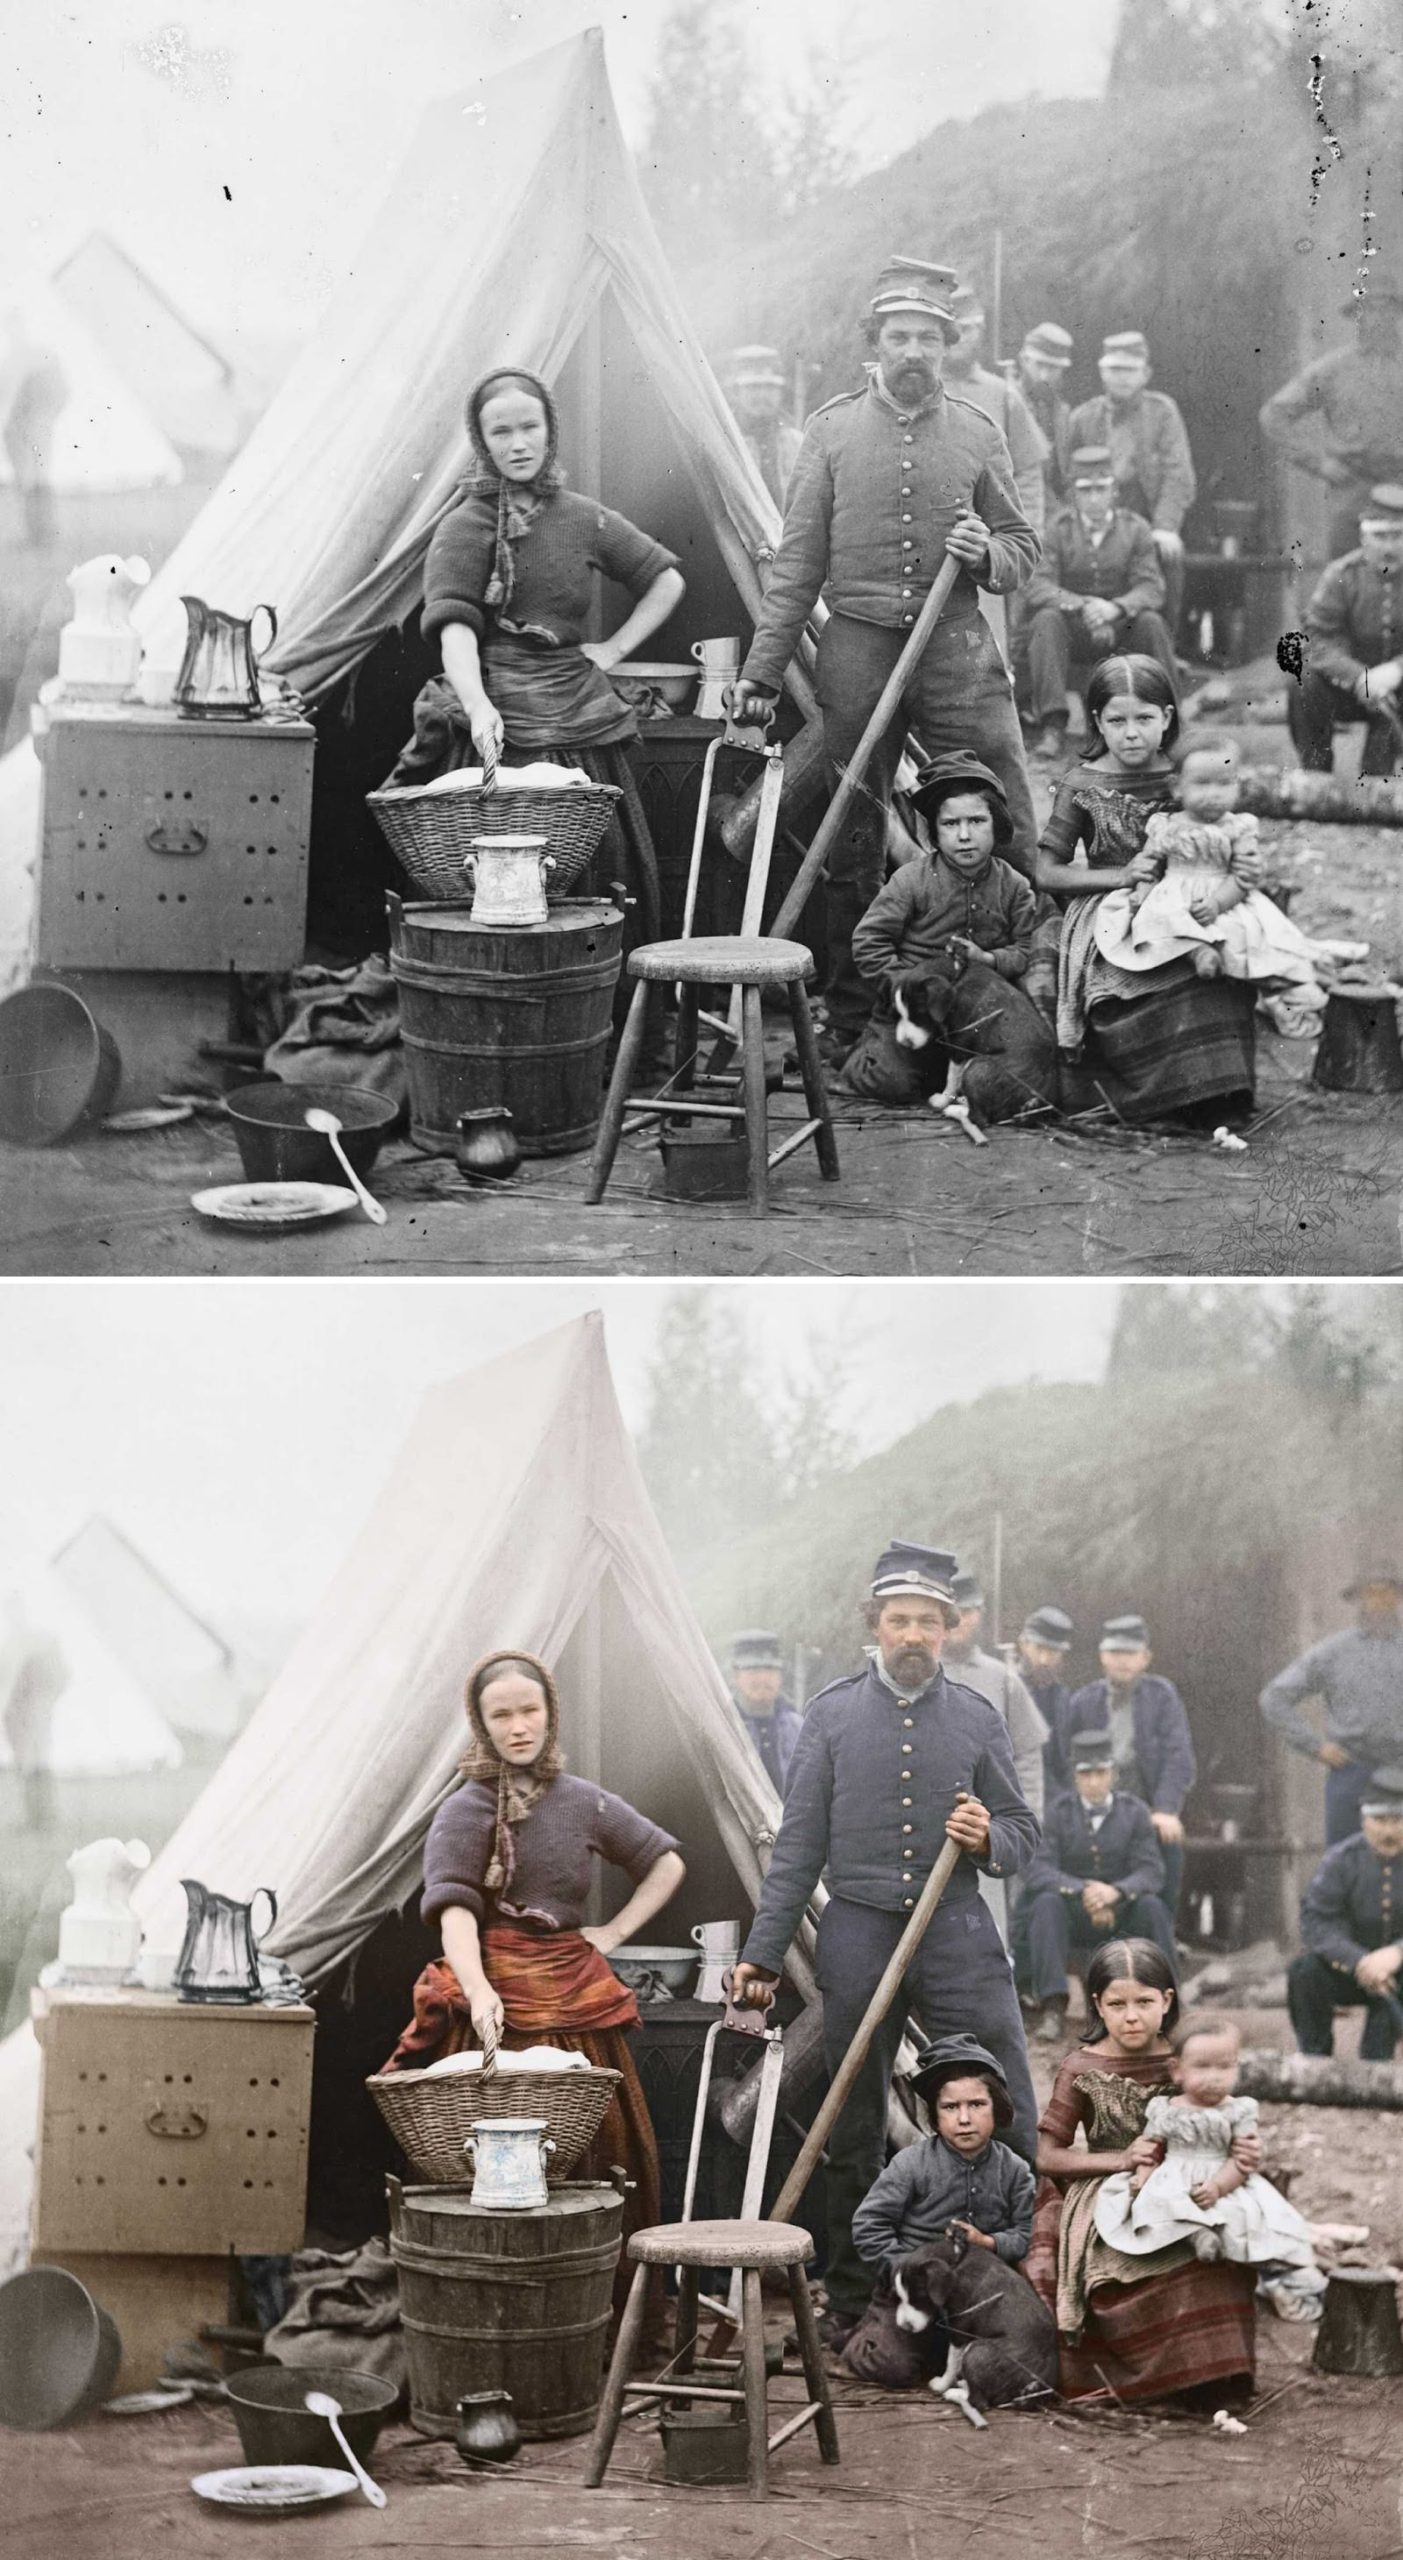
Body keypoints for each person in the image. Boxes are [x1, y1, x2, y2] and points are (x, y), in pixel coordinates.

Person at [728, 254, 1041, 1065]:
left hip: (955, 643)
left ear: (946, 346)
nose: (913, 351)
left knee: (1000, 798)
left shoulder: (978, 431)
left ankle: (1017, 997)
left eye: (927, 339)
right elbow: (795, 568)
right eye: (898, 336)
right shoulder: (830, 433)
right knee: (849, 830)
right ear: (875, 344)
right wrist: (761, 676)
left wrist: (986, 553)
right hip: (858, 645)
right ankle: (851, 1014)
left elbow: (1022, 546)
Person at [728, 1539, 1040, 2350]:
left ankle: (1008, 2286)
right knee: (849, 2113)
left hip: (955, 1928)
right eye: (897, 1620)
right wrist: (762, 1955)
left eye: (926, 1623)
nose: (912, 1634)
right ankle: (852, 2299)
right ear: (874, 1627)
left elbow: (1022, 1829)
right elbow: (796, 1849)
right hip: (859, 1927)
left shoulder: (976, 1716)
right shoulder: (831, 1715)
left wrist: (986, 1838)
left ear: (947, 1629)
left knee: (999, 2088)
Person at [384, 1649, 686, 2321]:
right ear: (481, 1724)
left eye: (529, 1711)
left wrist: (610, 1935)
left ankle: (603, 2319)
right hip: (499, 2003)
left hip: (575, 1995)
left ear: (550, 1714)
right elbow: (455, 1913)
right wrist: (479, 1989)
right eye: (501, 1715)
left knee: (605, 2152)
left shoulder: (584, 1801)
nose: (518, 1726)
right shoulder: (465, 1810)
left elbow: (663, 1862)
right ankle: (506, 2320)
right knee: (497, 2164)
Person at [389, 367, 686, 951]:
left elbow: (666, 579)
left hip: (577, 713)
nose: (518, 443)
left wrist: (613, 649)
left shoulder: (582, 517)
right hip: (496, 717)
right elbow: (456, 635)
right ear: (481, 441)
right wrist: (476, 708)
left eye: (530, 427)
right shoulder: (463, 525)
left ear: (551, 431)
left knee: (597, 871)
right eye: (501, 432)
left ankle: (602, 1017)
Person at [1025, 1937, 1258, 2406]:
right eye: (1117, 2004)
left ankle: (1215, 2377)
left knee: (1214, 2252)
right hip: (1107, 2189)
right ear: (1097, 2005)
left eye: (1144, 2002)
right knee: (1137, 2264)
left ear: (1167, 2000)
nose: (1131, 2016)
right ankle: (1151, 2380)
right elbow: (1047, 2156)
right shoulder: (1082, 2066)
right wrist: (1120, 2160)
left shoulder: (1185, 2055)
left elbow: (1224, 2113)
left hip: (1190, 2178)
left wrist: (1243, 2150)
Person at [1030, 654, 1258, 1127]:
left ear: (1168, 717)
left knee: (1215, 968)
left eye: (1145, 718)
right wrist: (1121, 877)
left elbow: (1222, 832)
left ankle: (1219, 1095)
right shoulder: (1082, 782)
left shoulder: (1185, 773)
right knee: (1138, 981)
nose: (1131, 732)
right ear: (1096, 721)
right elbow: (1047, 873)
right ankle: (1157, 1099)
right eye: (1116, 720)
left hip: (1189, 894)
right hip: (1109, 908)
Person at [1092, 740, 1335, 1037]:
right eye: (1202, 784)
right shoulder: (1166, 826)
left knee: (1247, 938)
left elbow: (1243, 877)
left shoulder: (1237, 827)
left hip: (1223, 895)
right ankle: (1196, 952)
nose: (1214, 795)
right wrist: (1143, 888)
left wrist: (1219, 902)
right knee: (1155, 922)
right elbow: (1152, 863)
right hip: (1175, 892)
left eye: (1224, 784)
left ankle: (1258, 979)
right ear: (1177, 787)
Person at [1094, 2014, 1326, 2320]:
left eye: (1225, 2066)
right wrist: (1142, 2176)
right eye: (1202, 2067)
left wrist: (1219, 2186)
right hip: (1174, 2175)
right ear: (1177, 2071)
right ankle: (1196, 2237)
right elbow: (1151, 2149)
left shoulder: (1238, 2109)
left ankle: (1269, 2273)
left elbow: (1242, 2160)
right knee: (1157, 2205)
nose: (1214, 2077)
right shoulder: (1166, 2110)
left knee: (1247, 2218)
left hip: (1222, 2177)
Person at [842, 755, 1037, 1104]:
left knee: (1009, 1074)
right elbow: (869, 940)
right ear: (932, 829)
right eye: (950, 824)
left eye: (977, 821)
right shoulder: (911, 880)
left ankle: (947, 1078)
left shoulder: (1014, 886)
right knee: (893, 1084)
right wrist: (903, 984)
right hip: (914, 1012)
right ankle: (862, 1057)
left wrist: (990, 959)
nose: (964, 836)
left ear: (998, 825)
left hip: (974, 1017)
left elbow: (1025, 950)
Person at [844, 2035, 1036, 2388]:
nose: (964, 2119)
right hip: (912, 2294)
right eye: (950, 2107)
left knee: (1000, 2359)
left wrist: (990, 2242)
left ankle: (943, 2356)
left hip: (976, 2301)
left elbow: (1024, 2234)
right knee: (894, 2369)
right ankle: (862, 2338)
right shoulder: (911, 2164)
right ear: (933, 2114)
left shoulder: (1015, 2171)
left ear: (998, 2108)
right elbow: (869, 2224)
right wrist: (904, 2269)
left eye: (977, 2105)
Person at [1021, 445, 1178, 761]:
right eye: (1085, 490)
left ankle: (1170, 726)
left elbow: (1151, 587)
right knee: (1045, 621)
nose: (1094, 498)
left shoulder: (1135, 528)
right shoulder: (1058, 530)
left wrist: (1116, 608)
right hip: (1073, 628)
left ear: (1114, 491)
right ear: (1074, 495)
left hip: (1122, 628)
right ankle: (1053, 725)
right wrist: (1083, 605)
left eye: (1101, 489)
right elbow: (1037, 585)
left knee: (1151, 623)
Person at [1021, 1733, 1176, 2041]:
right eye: (1085, 1774)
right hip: (1074, 1913)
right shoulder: (1058, 1813)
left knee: (1153, 1908)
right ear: (1075, 1777)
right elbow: (1037, 1869)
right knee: (1044, 1904)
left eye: (1100, 1773)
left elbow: (1151, 1871)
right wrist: (1083, 1890)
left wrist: (1115, 1892)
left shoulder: (1134, 1811)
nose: (1093, 1782)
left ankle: (1167, 2009)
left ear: (1113, 1774)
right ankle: (1053, 2006)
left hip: (1122, 1913)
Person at [1054, 1616, 1196, 1920]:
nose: (1123, 1661)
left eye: (1131, 1654)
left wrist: (1166, 1809)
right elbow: (1065, 1761)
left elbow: (1178, 1756)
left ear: (1146, 1658)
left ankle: (1161, 1931)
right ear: (1103, 1656)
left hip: (1145, 1807)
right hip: (1093, 1804)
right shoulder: (1083, 1702)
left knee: (1166, 1844)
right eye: (1115, 1653)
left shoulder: (1162, 1697)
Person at [1259, 1567, 1403, 1845]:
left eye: (1388, 1594)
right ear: (1358, 1601)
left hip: (1400, 1770)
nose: (1379, 1602)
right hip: (1351, 1775)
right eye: (1371, 1594)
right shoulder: (1334, 1652)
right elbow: (1274, 1698)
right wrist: (1316, 1746)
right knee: (1344, 1865)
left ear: (1398, 1599)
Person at [1259, 282, 1403, 560]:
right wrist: (1318, 461)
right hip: (1352, 492)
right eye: (1370, 311)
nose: (1378, 319)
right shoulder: (1333, 369)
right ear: (1357, 317)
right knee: (1347, 575)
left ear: (1397, 316)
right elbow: (1274, 415)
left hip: (1401, 482)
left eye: (1387, 311)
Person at [1069, 333, 1196, 635]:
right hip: (1094, 518)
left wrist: (1165, 526)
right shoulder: (1083, 418)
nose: (1122, 378)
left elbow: (1178, 474)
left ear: (1145, 374)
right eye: (1114, 369)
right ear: (1102, 371)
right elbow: (1066, 477)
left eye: (1130, 370)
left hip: (1147, 520)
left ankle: (1164, 642)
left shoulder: (1162, 412)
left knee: (1168, 559)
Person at [1286, 484, 1403, 777]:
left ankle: (1380, 785)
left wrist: (1396, 670)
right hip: (1353, 688)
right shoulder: (1341, 575)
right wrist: (1358, 677)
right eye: (1380, 536)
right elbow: (1316, 640)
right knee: (1303, 681)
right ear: (1364, 538)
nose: (1389, 547)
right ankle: (1316, 779)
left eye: (1398, 536)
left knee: (1379, 783)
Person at [1287, 1771, 1403, 2061]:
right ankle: (1315, 2060)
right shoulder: (1341, 1860)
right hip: (1353, 1971)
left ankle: (1378, 2065)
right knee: (1304, 1971)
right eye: (1379, 1821)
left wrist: (1396, 1953)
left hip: (1400, 1974)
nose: (1388, 1832)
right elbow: (1315, 1921)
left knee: (1377, 2062)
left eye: (1398, 1821)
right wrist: (1359, 1960)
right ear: (1364, 1821)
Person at [945, 286, 1050, 539]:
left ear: (981, 332)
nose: (959, 336)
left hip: (991, 542)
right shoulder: (917, 391)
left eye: (968, 329)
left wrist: (1027, 536)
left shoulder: (1003, 395)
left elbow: (1027, 472)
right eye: (952, 328)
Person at [722, 344, 804, 510]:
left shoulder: (797, 443)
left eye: (770, 387)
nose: (762, 395)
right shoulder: (724, 441)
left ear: (780, 392)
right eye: (753, 387)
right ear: (736, 393)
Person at [1005, 322, 1075, 505]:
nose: (1044, 376)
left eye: (1052, 368)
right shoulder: (1006, 403)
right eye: (1040, 365)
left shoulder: (1062, 413)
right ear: (1024, 360)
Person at [728, 1628, 803, 1795]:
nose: (762, 1678)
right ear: (735, 1676)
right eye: (753, 1671)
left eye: (770, 1670)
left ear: (780, 1677)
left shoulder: (798, 1729)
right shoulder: (723, 1728)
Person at [1011, 1608, 1075, 1795]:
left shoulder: (1062, 1698)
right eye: (1039, 1649)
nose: (1045, 1660)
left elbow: (1063, 1762)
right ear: (1024, 1644)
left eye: (1053, 1652)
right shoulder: (1007, 1690)